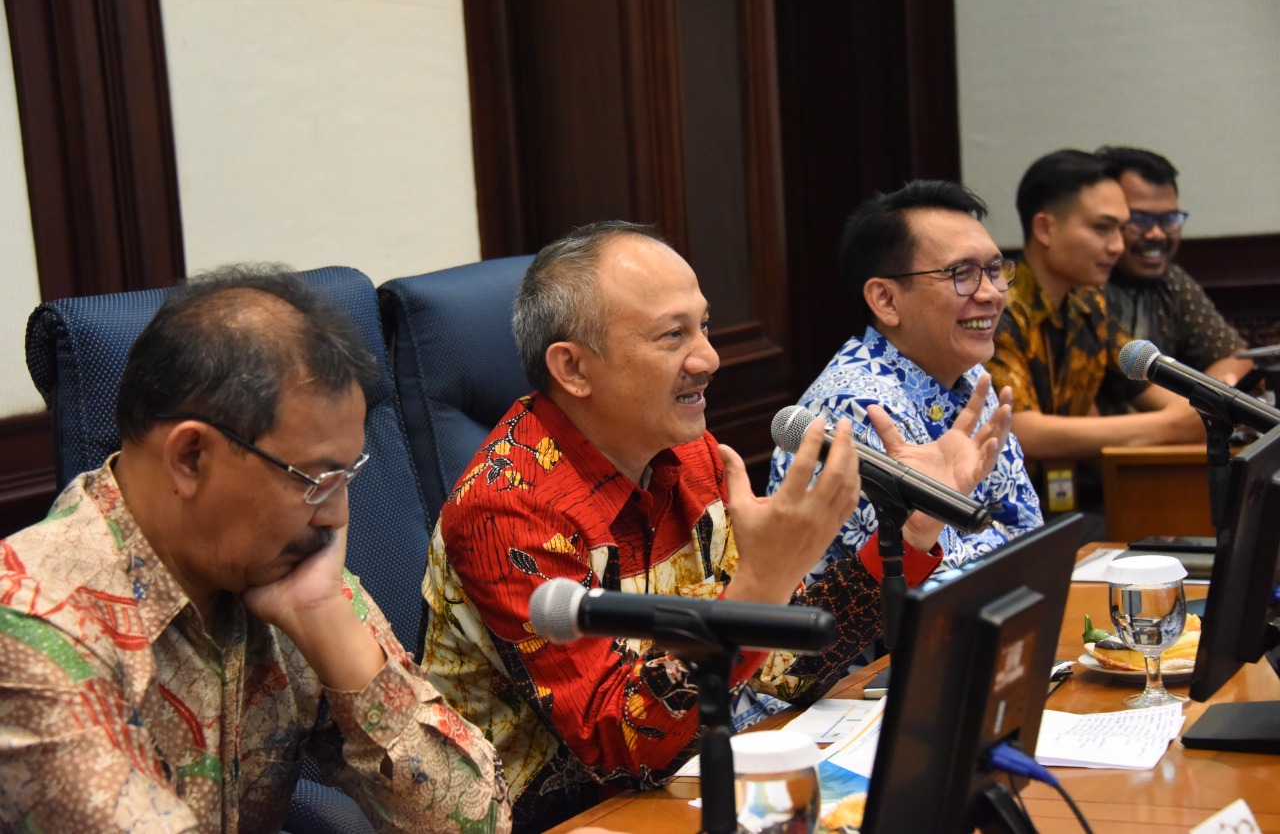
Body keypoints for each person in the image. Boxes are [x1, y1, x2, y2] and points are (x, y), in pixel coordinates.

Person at [419, 220, 1012, 832]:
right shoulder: (508, 507)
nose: (709, 357)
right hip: (568, 815)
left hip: (691, 779)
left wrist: (915, 529)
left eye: (702, 325)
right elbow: (616, 747)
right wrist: (762, 581)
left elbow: (775, 666)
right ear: (573, 368)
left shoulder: (690, 456)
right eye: (673, 335)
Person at [0, 266, 511, 832]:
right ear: (191, 456)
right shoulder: (30, 623)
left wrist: (330, 627)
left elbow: (477, 822)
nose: (338, 517)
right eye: (316, 480)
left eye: (348, 477)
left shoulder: (288, 575)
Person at [769, 180, 1042, 579]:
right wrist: (992, 542)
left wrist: (983, 544)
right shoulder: (851, 408)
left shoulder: (971, 377)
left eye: (995, 270)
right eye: (962, 273)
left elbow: (1029, 532)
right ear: (886, 300)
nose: (992, 294)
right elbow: (929, 581)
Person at [986, 150, 1203, 511]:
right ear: (1044, 228)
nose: (1118, 246)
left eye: (1121, 228)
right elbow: (1021, 430)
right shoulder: (997, 307)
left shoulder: (1089, 304)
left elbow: (1150, 389)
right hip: (1000, 516)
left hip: (1068, 507)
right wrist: (1167, 427)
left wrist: (1196, 412)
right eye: (1102, 228)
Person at [1095, 145, 1251, 405]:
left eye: (1169, 219)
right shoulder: (1082, 285)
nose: (1157, 234)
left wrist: (1204, 401)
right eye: (1140, 219)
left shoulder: (1170, 281)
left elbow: (1235, 357)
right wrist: (1190, 411)